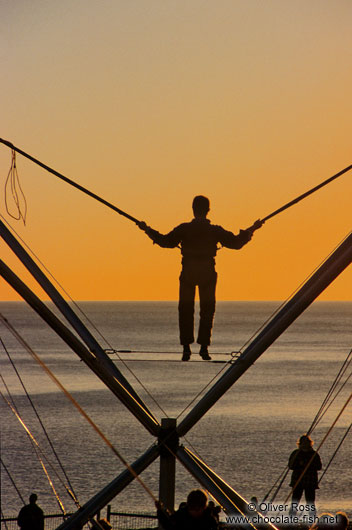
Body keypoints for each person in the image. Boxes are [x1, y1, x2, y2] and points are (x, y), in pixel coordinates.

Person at [139, 195, 263, 360]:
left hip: (189, 270)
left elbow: (165, 241)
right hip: (207, 271)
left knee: (185, 309)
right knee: (207, 309)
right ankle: (204, 347)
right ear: (208, 210)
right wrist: (253, 228)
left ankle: (186, 348)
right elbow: (236, 242)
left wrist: (147, 229)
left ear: (193, 209)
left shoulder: (184, 229)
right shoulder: (214, 230)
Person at [288, 434, 322, 516]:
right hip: (298, 481)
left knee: (310, 502)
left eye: (307, 442)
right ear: (300, 444)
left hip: (310, 482)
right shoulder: (296, 453)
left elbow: (319, 466)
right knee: (295, 501)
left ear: (310, 443)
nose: (305, 444)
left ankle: (312, 519)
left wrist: (309, 465)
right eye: (303, 443)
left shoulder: (314, 454)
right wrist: (299, 464)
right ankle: (291, 519)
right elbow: (290, 466)